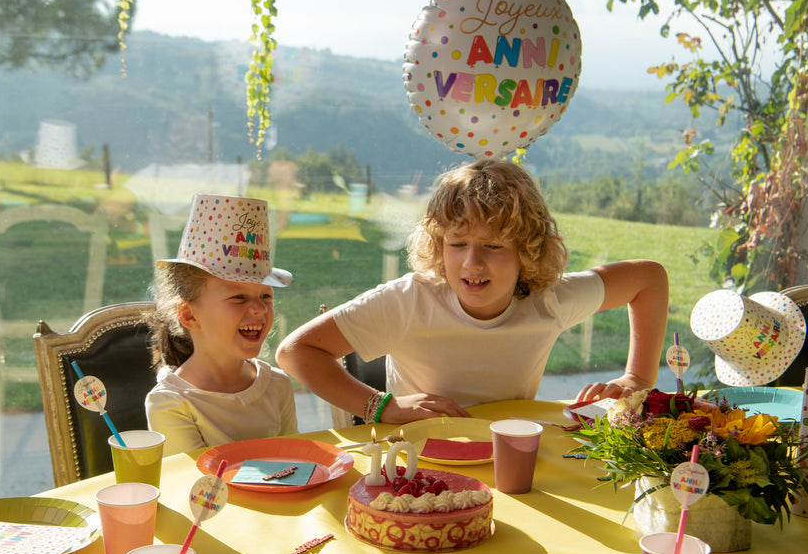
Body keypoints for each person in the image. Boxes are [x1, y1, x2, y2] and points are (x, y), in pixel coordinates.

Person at [276, 158, 669, 425]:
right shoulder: (408, 300)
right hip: (421, 461)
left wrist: (637, 378)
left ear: (527, 251)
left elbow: (649, 279)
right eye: (457, 244)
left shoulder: (548, 299)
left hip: (511, 453)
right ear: (437, 244)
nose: (472, 263)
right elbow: (296, 352)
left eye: (494, 246)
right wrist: (382, 406)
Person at [146, 194, 298, 454]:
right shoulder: (170, 403)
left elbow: (298, 462)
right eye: (238, 297)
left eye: (266, 296)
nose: (259, 308)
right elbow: (198, 486)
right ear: (190, 315)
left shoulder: (277, 385)